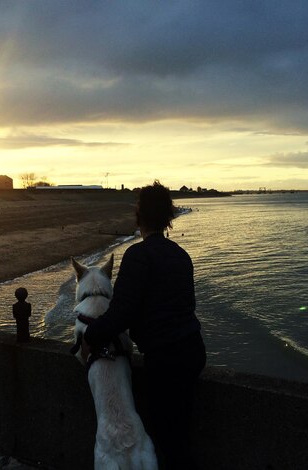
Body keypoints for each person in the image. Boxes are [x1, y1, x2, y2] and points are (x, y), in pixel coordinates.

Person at [83, 181, 206, 470]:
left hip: (165, 360)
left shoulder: (138, 255)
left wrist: (90, 334)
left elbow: (121, 313)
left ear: (139, 216)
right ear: (168, 218)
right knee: (180, 434)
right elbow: (183, 306)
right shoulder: (181, 255)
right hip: (192, 351)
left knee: (168, 440)